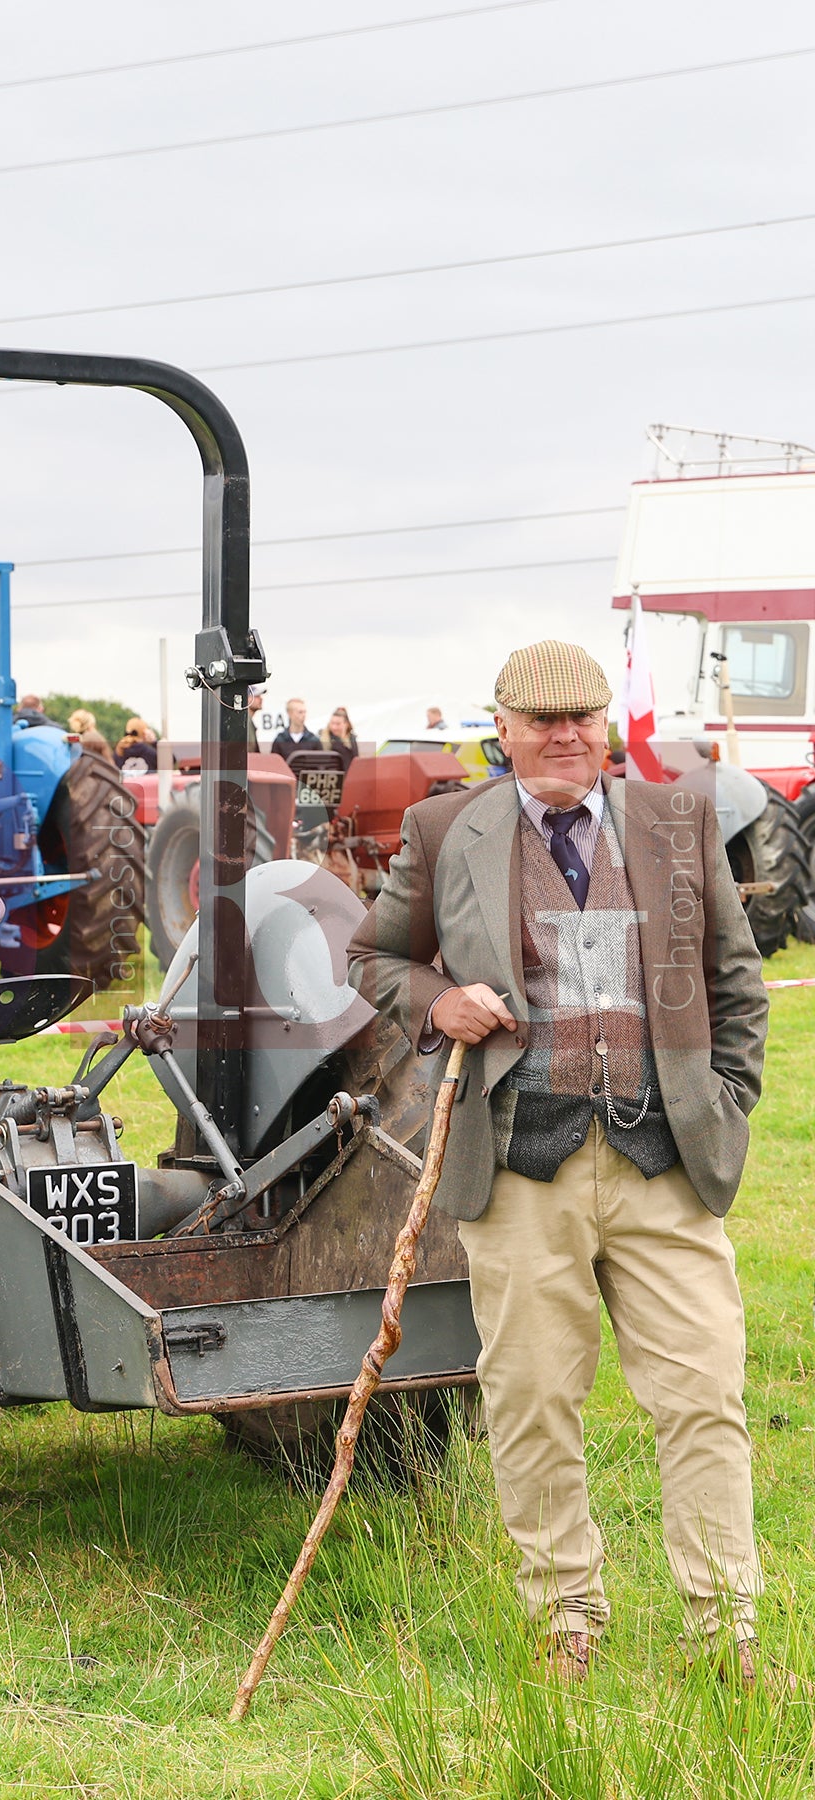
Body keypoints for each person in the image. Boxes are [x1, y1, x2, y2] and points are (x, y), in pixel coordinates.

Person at [347, 638, 768, 1685]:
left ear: (604, 726)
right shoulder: (449, 829)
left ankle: (727, 1637)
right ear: (505, 729)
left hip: (665, 1164)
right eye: (542, 719)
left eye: (582, 715)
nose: (564, 734)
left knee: (705, 1396)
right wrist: (437, 1003)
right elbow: (371, 955)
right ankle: (566, 1621)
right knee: (533, 1398)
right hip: (522, 1165)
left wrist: (727, 1108)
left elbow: (736, 981)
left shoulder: (678, 820)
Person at [271, 697, 321, 762]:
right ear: (290, 713)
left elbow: (319, 765)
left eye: (304, 712)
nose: (304, 715)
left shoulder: (314, 740)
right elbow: (274, 764)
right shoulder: (280, 740)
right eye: (300, 712)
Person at [319, 705, 358, 770]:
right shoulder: (323, 738)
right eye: (332, 723)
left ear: (346, 724)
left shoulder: (352, 739)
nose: (334, 727)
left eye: (338, 724)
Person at [247, 684, 266, 753]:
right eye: (257, 696)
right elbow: (250, 750)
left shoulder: (247, 721)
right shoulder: (246, 722)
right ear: (247, 699)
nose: (261, 699)